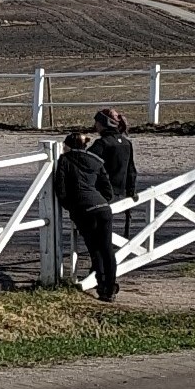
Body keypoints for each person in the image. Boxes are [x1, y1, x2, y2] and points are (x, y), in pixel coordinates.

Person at [54, 127, 120, 301]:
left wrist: (71, 206)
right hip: (103, 208)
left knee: (95, 249)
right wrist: (102, 201)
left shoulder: (65, 160)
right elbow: (108, 190)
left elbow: (60, 189)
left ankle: (102, 286)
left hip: (84, 209)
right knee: (107, 249)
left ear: (68, 146)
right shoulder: (97, 161)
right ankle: (111, 286)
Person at [93, 108, 138, 206]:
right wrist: (131, 190)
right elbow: (131, 170)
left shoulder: (101, 144)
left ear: (102, 124)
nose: (95, 125)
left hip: (103, 193)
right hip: (120, 191)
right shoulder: (127, 143)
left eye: (96, 122)